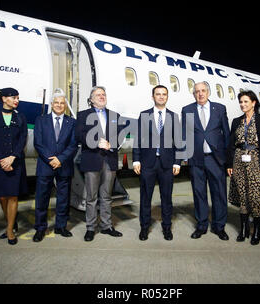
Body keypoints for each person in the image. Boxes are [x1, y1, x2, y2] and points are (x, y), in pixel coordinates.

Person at [227, 91, 260, 245]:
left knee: (255, 196)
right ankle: (243, 230)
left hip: (256, 161)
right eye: (241, 102)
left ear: (254, 102)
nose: (243, 105)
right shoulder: (236, 121)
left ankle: (256, 231)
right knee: (243, 195)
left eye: (246, 102)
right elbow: (231, 144)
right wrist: (229, 164)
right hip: (239, 161)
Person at [75, 86, 127, 242]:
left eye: (103, 94)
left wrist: (112, 144)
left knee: (106, 196)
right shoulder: (83, 115)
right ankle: (90, 228)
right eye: (98, 95)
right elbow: (79, 135)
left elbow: (120, 136)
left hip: (109, 161)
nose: (101, 96)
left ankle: (106, 226)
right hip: (92, 159)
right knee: (92, 197)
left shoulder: (114, 115)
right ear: (91, 99)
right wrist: (96, 142)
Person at [181, 82, 230, 240]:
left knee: (219, 193)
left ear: (208, 92)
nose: (200, 94)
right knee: (199, 193)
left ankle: (219, 226)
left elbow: (227, 135)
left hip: (216, 159)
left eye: (203, 91)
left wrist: (228, 161)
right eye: (197, 92)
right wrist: (186, 156)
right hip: (196, 160)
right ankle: (202, 225)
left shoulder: (220, 109)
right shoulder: (187, 110)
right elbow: (185, 135)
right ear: (193, 94)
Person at [133, 85, 181, 241]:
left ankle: (167, 227)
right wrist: (136, 160)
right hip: (148, 163)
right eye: (158, 94)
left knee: (166, 198)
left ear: (167, 97)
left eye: (164, 94)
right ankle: (144, 227)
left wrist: (177, 162)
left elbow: (178, 141)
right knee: (145, 198)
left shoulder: (174, 116)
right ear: (152, 96)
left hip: (167, 164)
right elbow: (138, 139)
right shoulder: (144, 115)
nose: (161, 97)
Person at [32, 89, 78, 242]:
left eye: (62, 103)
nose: (59, 105)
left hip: (64, 166)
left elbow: (73, 145)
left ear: (65, 105)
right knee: (42, 198)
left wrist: (60, 159)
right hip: (45, 165)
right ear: (51, 104)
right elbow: (38, 143)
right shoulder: (40, 120)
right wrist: (51, 159)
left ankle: (61, 226)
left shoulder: (71, 122)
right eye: (56, 103)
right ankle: (40, 228)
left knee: (63, 198)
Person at [0, 88, 28, 245]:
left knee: (13, 195)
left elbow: (22, 139)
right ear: (4, 99)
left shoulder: (21, 118)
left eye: (18, 97)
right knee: (2, 196)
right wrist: (2, 160)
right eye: (13, 97)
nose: (17, 100)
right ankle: (10, 222)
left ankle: (10, 229)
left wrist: (12, 157)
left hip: (15, 161)